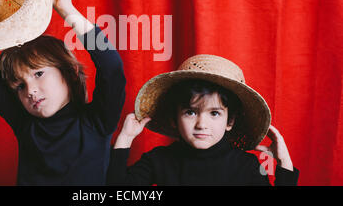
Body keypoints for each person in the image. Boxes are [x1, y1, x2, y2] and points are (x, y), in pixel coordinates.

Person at [0, 0, 126, 185]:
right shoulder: (25, 124)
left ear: (68, 72)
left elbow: (112, 69)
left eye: (38, 74)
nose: (31, 91)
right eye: (20, 86)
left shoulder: (97, 121)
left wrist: (67, 11)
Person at [107, 55, 299, 186]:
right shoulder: (158, 160)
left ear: (229, 121)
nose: (201, 124)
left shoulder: (247, 166)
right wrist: (125, 139)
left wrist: (284, 162)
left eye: (214, 113)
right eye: (190, 112)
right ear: (175, 118)